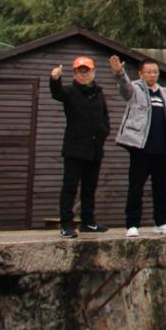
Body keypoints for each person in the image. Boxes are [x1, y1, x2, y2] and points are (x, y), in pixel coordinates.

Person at [111, 55, 166, 237]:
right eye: (148, 72)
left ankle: (161, 222)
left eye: (155, 72)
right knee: (136, 187)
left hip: (161, 148)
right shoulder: (135, 89)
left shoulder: (164, 92)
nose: (152, 75)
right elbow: (124, 88)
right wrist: (119, 72)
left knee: (161, 188)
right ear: (141, 74)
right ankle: (132, 224)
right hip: (140, 147)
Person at [49, 57, 111, 239]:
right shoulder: (69, 91)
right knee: (70, 187)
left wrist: (103, 132)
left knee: (90, 188)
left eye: (87, 71)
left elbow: (105, 117)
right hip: (75, 148)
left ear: (94, 72)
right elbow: (57, 93)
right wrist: (55, 79)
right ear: (75, 74)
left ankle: (88, 222)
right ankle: (66, 225)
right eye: (80, 71)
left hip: (95, 148)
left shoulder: (98, 92)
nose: (84, 74)